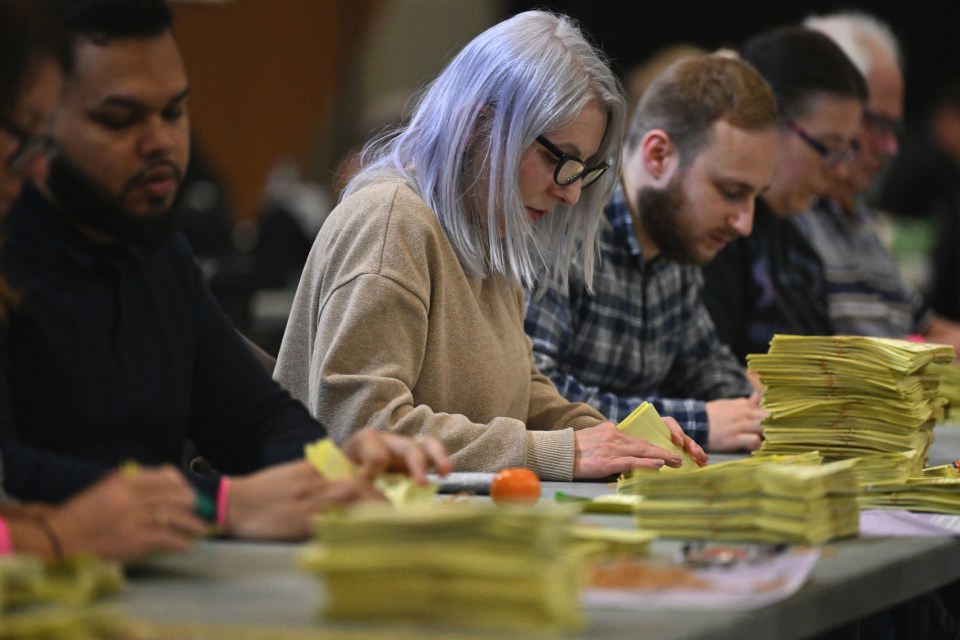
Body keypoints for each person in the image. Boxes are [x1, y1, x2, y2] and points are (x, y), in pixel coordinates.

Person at [0, 0, 449, 553]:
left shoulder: (160, 258)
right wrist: (220, 503)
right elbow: (12, 474)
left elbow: (261, 422)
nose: (160, 142)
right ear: (40, 119)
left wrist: (333, 473)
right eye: (119, 119)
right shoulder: (12, 259)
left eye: (174, 111)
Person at [274, 10, 707, 481]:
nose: (572, 193)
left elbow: (522, 392)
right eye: (560, 159)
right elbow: (363, 429)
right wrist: (560, 451)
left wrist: (615, 439)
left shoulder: (488, 228)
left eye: (583, 171)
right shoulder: (390, 222)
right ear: (479, 125)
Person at [523, 54, 778, 452]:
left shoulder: (676, 237)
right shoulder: (566, 217)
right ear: (659, 156)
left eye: (754, 198)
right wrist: (702, 423)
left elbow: (704, 365)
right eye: (731, 192)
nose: (744, 223)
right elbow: (532, 389)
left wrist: (765, 406)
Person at [795, 12, 960, 355]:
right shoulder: (785, 220)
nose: (890, 146)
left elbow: (926, 327)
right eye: (875, 122)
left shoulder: (859, 219)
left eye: (893, 128)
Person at [701, 27, 867, 363]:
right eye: (829, 147)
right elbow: (711, 382)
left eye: (846, 151)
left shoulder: (799, 248)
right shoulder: (713, 236)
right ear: (765, 119)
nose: (840, 171)